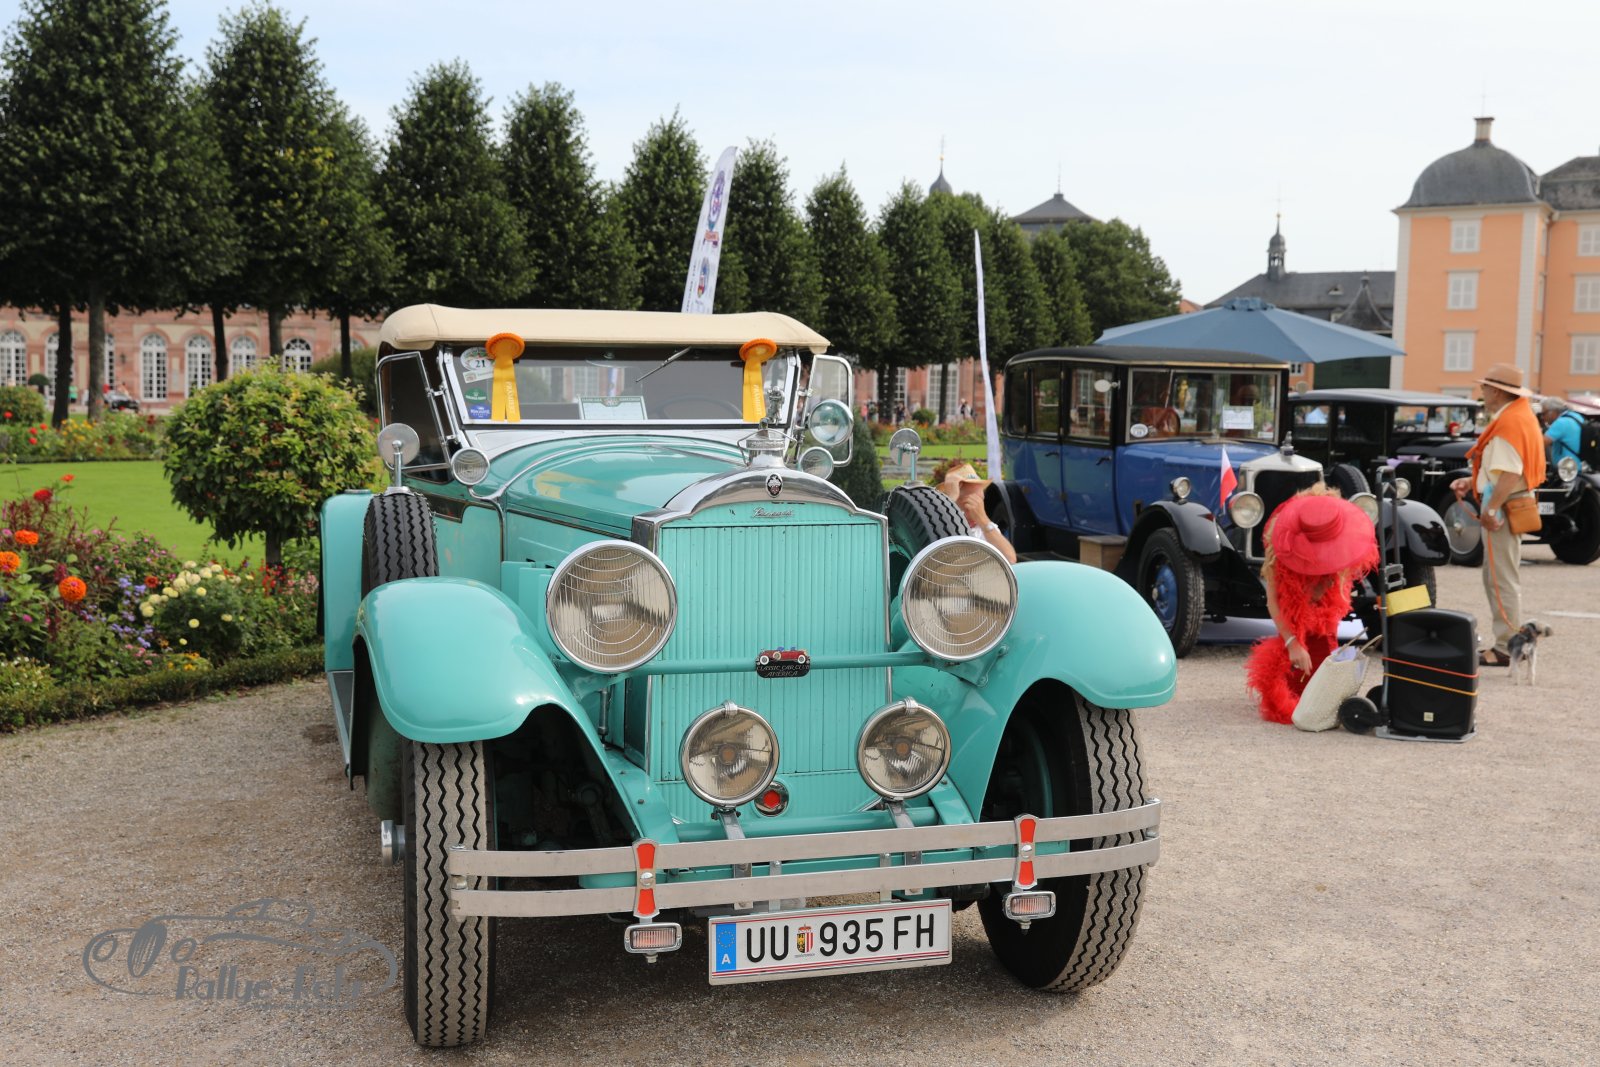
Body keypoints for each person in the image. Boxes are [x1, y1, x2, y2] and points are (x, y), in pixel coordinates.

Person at [1244, 485, 1379, 724]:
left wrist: (1326, 584)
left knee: (1323, 668)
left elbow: (1334, 600)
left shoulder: (1338, 539)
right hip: (1294, 616)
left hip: (1323, 616)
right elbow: (1274, 602)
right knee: (1294, 683)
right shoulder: (1281, 548)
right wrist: (1292, 643)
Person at [1450, 363, 1546, 667]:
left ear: (1496, 391)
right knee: (1502, 575)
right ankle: (1509, 642)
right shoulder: (1519, 417)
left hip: (1503, 505)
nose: (1482, 391)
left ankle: (1506, 647)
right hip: (1509, 501)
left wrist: (1491, 508)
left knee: (1499, 578)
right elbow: (1506, 470)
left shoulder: (1508, 423)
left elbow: (1509, 473)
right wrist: (1473, 482)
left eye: (1485, 387)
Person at [931, 459, 1017, 564]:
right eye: (972, 500)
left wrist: (984, 521)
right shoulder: (943, 525)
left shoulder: (985, 528)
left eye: (981, 499)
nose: (979, 506)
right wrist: (950, 501)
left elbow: (1010, 559)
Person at [1540, 395, 1585, 466]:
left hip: (1566, 469)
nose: (1542, 417)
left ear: (1552, 411)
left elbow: (1540, 444)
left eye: (1543, 414)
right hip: (1578, 466)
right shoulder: (1577, 416)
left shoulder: (1560, 422)